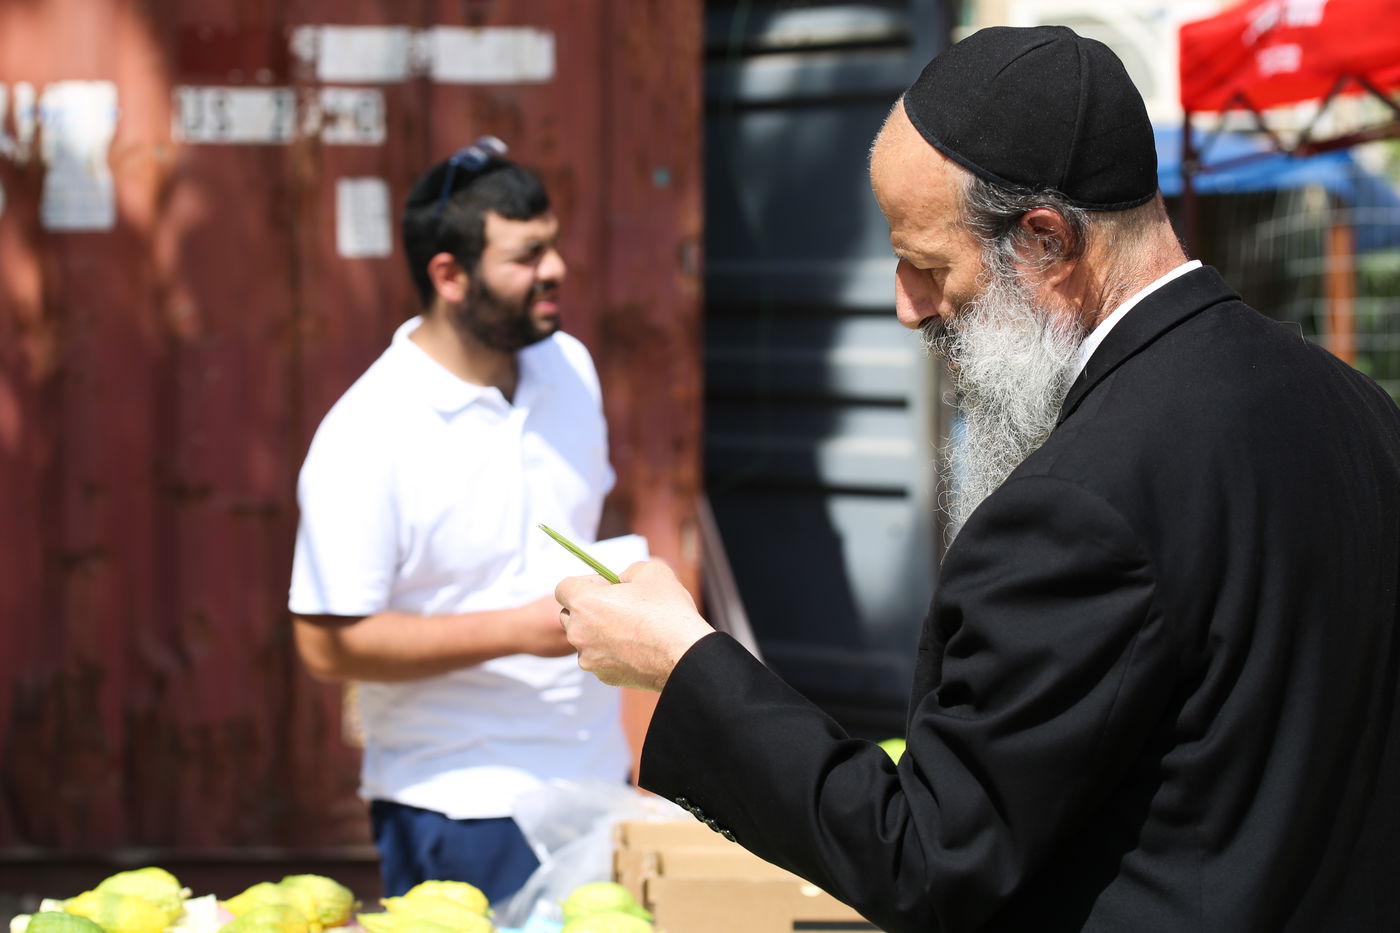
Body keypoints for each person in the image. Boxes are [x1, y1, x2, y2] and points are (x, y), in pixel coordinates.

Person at [555, 26, 1400, 932]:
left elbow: (929, 855)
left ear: (1044, 240)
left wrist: (681, 664)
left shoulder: (1079, 504)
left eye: (927, 265)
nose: (906, 305)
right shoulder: (1360, 408)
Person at [289, 137, 633, 904]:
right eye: (527, 255)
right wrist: (519, 629)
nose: (557, 271)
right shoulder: (367, 432)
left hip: (594, 780)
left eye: (553, 245)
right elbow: (323, 640)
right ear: (449, 274)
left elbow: (579, 526)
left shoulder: (569, 366)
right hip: (457, 803)